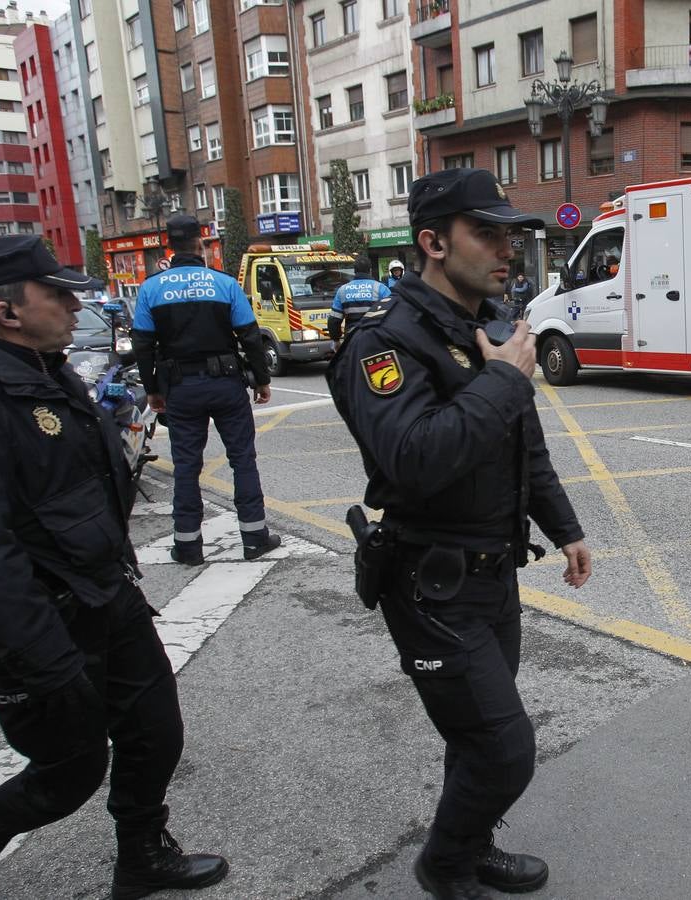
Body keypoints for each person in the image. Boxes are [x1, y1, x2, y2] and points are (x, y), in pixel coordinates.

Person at [326, 168, 592, 900]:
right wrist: (503, 381)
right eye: (487, 233)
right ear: (434, 243)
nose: (506, 249)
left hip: (491, 574)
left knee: (475, 739)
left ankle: (469, 846)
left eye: (510, 234)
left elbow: (522, 447)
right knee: (503, 748)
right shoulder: (385, 344)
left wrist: (564, 528)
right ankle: (444, 869)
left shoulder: (490, 330)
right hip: (430, 582)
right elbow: (414, 460)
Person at [0, 236, 229, 900]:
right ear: (7, 312)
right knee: (69, 770)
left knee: (155, 731)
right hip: (49, 620)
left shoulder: (45, 367)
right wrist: (42, 659)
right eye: (56, 293)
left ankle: (142, 855)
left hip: (105, 592)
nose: (72, 305)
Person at [132, 215, 281, 565]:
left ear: (169, 246)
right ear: (201, 244)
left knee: (186, 465)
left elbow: (142, 344)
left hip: (180, 388)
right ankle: (255, 538)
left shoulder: (152, 288)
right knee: (242, 459)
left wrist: (153, 389)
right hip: (226, 384)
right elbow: (250, 336)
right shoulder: (224, 283)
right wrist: (261, 380)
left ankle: (188, 546)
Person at [330, 255, 392, 342]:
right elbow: (392, 315)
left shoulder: (342, 290)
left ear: (354, 271)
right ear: (370, 270)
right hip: (376, 339)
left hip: (351, 339)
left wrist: (336, 340)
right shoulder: (381, 288)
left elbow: (334, 320)